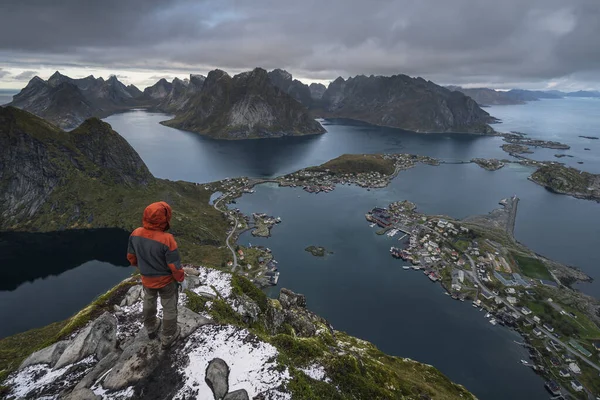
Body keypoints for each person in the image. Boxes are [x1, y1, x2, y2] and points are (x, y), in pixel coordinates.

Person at [126, 201, 187, 348]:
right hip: (166, 281)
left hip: (147, 278)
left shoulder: (136, 234)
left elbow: (131, 257)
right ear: (164, 218)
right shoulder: (167, 240)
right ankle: (168, 335)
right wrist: (181, 279)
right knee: (169, 306)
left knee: (149, 300)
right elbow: (175, 266)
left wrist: (144, 268)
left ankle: (151, 327)